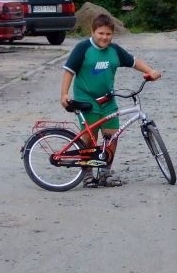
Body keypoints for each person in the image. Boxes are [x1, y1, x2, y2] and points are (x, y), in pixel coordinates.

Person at [61, 13, 161, 187]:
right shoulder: (83, 48)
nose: (104, 37)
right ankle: (87, 174)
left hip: (108, 100)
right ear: (92, 31)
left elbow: (133, 61)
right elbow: (69, 70)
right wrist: (64, 94)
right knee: (89, 138)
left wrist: (151, 71)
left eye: (108, 34)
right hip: (87, 99)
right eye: (100, 33)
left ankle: (105, 173)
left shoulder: (114, 50)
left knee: (112, 135)